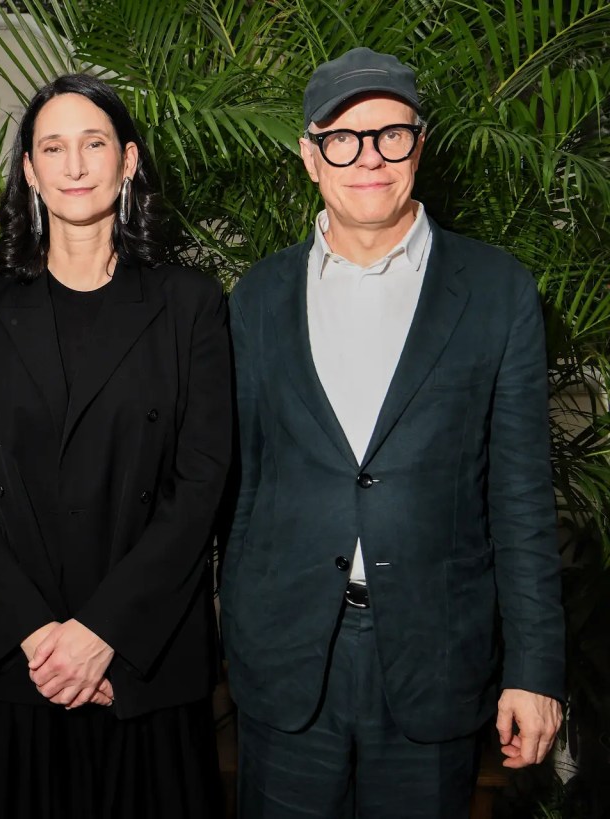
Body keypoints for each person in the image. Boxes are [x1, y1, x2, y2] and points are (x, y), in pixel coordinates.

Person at [221, 47, 564, 818]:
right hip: (286, 658)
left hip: (436, 660)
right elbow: (238, 486)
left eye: (390, 134)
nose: (368, 157)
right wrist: (234, 625)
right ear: (310, 155)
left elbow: (521, 499)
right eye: (343, 138)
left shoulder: (496, 290)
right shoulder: (257, 296)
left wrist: (535, 668)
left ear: (420, 143)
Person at [0, 73, 231, 818]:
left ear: (127, 161)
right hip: (14, 660)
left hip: (143, 662)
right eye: (52, 147)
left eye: (93, 144)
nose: (73, 165)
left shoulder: (190, 303)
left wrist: (103, 634)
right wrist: (38, 635)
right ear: (29, 170)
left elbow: (201, 484)